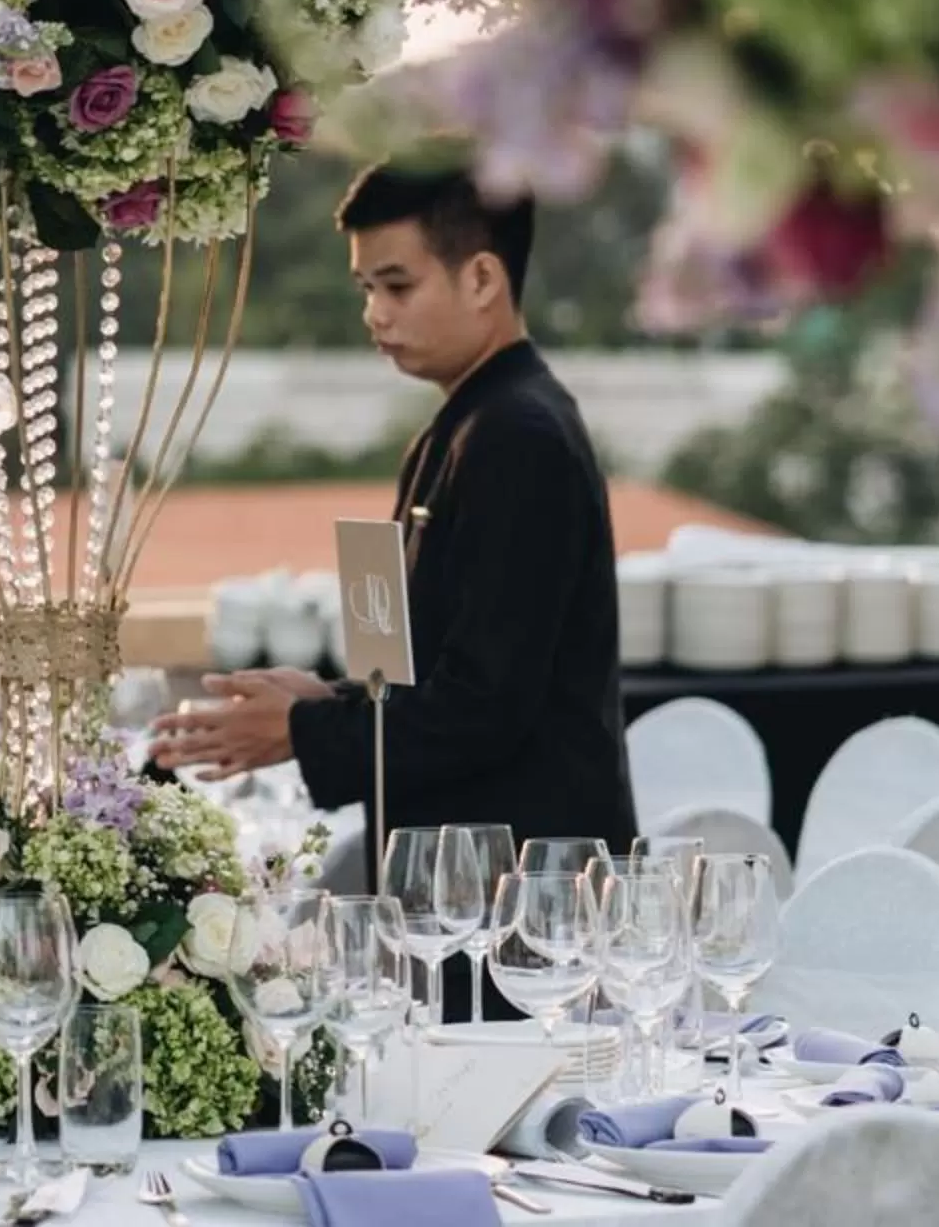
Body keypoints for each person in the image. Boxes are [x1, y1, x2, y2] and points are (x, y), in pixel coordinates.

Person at [151, 161, 637, 889]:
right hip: (470, 876)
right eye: (367, 289)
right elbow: (445, 670)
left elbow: (487, 706)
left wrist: (301, 733)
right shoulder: (468, 421)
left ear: (481, 279)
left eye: (397, 285)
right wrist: (333, 699)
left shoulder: (519, 434)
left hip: (527, 893)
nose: (375, 314)